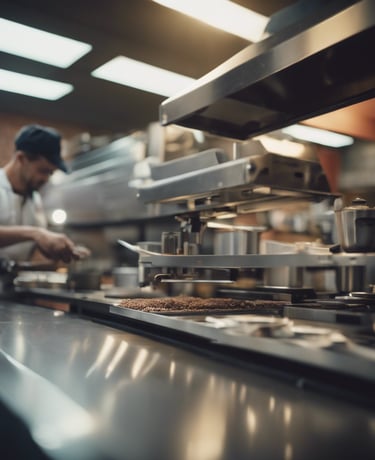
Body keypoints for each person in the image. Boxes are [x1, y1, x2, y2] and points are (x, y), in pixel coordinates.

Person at [0, 124, 89, 264]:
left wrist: (59, 250)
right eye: (43, 170)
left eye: (51, 173)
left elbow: (33, 248)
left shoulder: (35, 198)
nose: (46, 179)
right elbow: (35, 234)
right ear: (21, 158)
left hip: (12, 282)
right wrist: (36, 233)